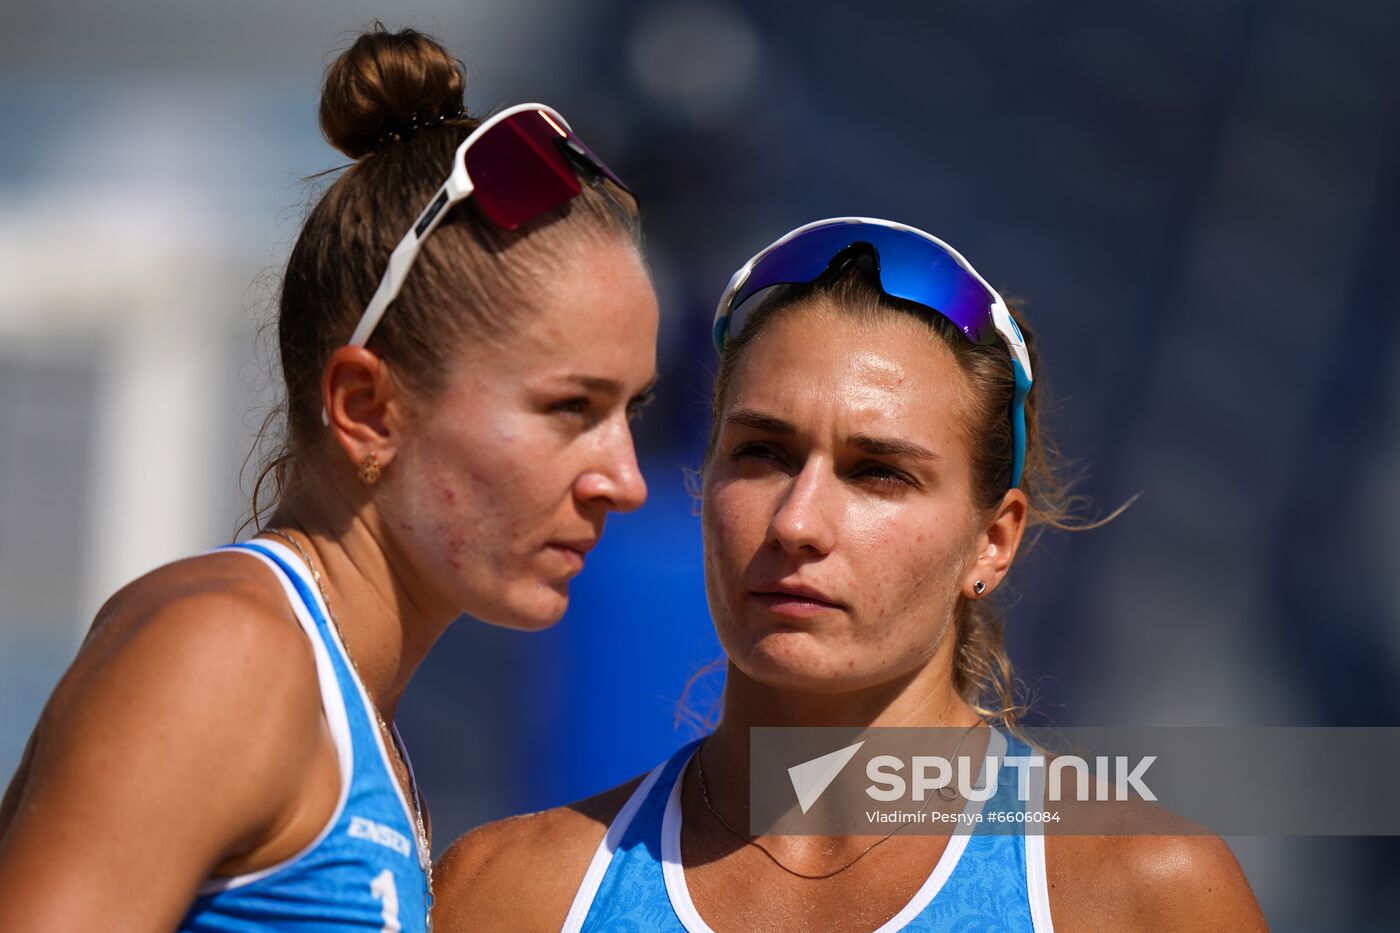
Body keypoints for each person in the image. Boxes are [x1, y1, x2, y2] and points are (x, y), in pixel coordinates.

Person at [0, 24, 658, 932]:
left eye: (633, 412)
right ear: (367, 408)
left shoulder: (355, 721)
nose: (625, 480)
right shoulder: (228, 653)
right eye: (570, 409)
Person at [431, 217, 1267, 931]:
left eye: (878, 473)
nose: (796, 522)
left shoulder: (1141, 894)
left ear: (993, 541)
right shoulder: (512, 896)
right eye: (761, 453)